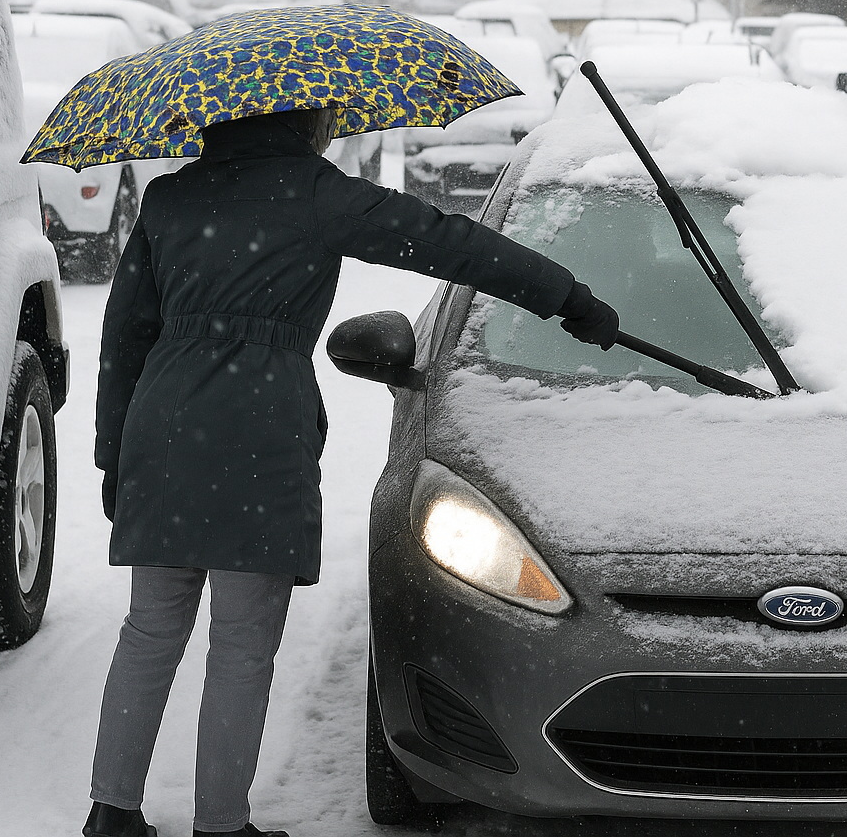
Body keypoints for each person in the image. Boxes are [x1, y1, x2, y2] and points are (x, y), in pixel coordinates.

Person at [83, 108, 617, 837]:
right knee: (241, 642)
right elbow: (448, 243)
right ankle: (220, 824)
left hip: (163, 425)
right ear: (306, 118)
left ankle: (112, 809)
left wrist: (115, 454)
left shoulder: (173, 197)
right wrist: (567, 298)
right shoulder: (315, 192)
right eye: (330, 115)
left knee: (149, 629)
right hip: (256, 429)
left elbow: (125, 337)